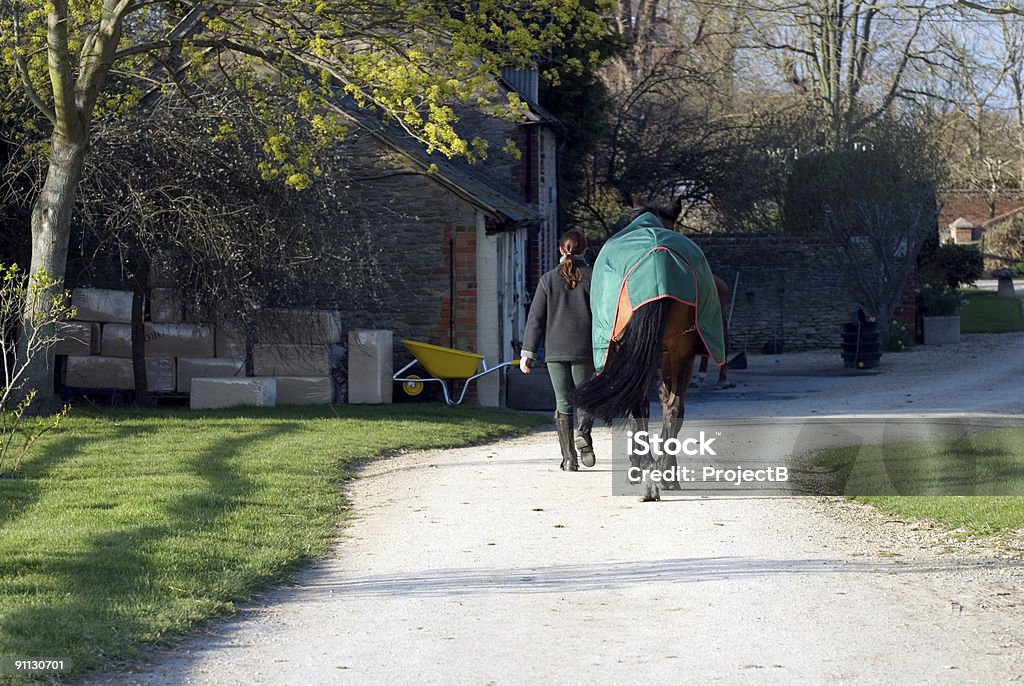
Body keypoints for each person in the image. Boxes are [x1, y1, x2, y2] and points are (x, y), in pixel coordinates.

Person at [520, 230, 596, 471]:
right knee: (586, 399)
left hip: (555, 351)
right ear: (585, 250)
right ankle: (584, 433)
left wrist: (527, 353)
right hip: (585, 350)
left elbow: (536, 319)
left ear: (560, 250)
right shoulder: (594, 278)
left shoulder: (547, 279)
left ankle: (569, 459)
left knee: (563, 402)